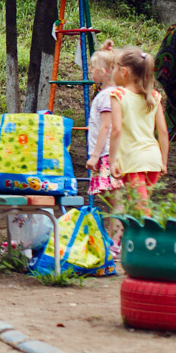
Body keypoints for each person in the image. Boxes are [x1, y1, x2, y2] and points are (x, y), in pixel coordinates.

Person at [110, 46, 170, 212]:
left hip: (133, 160)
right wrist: (163, 161)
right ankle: (139, 237)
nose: (112, 71)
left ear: (124, 71)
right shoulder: (153, 96)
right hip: (153, 160)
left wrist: (112, 160)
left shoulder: (118, 95)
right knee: (138, 206)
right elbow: (163, 132)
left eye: (114, 67)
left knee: (141, 210)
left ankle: (154, 237)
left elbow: (116, 130)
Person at [87, 41, 122, 245]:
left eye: (93, 68)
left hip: (107, 155)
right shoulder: (109, 93)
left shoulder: (108, 96)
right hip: (105, 154)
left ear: (104, 71)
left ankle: (118, 238)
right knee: (110, 197)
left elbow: (106, 127)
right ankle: (116, 236)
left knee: (115, 199)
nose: (90, 71)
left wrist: (95, 155)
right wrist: (102, 49)